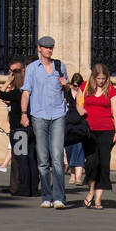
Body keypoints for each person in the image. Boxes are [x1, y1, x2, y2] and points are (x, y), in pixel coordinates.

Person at [21, 35, 69, 208]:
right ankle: (46, 196)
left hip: (58, 115)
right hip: (39, 115)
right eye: (46, 47)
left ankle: (59, 197)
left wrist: (66, 84)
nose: (49, 50)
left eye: (51, 47)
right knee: (42, 159)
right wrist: (24, 113)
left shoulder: (59, 65)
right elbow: (26, 92)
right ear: (39, 48)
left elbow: (68, 90)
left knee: (56, 157)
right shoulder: (33, 68)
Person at [78, 64, 116, 209]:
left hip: (106, 131)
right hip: (88, 131)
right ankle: (91, 191)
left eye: (103, 78)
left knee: (104, 164)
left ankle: (98, 199)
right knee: (92, 161)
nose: (101, 81)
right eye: (99, 78)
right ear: (93, 77)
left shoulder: (111, 90)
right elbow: (77, 104)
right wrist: (81, 110)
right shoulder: (84, 87)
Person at [0, 58, 39, 197]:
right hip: (32, 129)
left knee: (21, 159)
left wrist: (8, 81)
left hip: (18, 130)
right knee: (31, 159)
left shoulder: (17, 92)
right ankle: (33, 188)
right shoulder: (31, 90)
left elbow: (0, 94)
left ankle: (24, 188)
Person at [64, 73, 86, 185]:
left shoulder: (84, 93)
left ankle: (78, 177)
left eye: (79, 85)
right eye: (74, 85)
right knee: (70, 149)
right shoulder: (67, 92)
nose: (76, 87)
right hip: (68, 123)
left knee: (79, 148)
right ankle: (72, 175)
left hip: (80, 122)